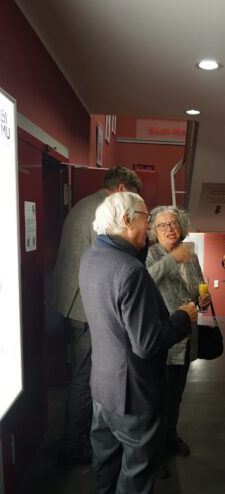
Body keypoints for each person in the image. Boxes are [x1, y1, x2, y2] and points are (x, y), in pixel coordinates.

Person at [79, 192, 197, 494]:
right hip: (134, 391)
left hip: (103, 385)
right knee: (136, 472)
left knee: (105, 463)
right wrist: (183, 318)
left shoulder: (92, 256)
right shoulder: (130, 270)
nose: (150, 225)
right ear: (128, 220)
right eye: (147, 217)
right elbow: (147, 343)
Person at [48, 166, 143, 466]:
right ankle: (73, 443)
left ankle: (76, 438)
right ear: (122, 189)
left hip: (70, 299)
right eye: (132, 197)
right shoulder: (105, 210)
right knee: (84, 376)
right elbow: (108, 260)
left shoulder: (83, 204)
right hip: (83, 305)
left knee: (80, 372)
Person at [146, 206, 211, 458]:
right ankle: (155, 450)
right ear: (154, 230)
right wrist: (172, 258)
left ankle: (170, 436)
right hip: (164, 336)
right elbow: (146, 280)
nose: (170, 229)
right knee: (158, 397)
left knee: (176, 394)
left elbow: (198, 286)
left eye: (174, 223)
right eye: (162, 225)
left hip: (186, 334)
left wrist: (203, 299)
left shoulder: (190, 253)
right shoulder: (150, 254)